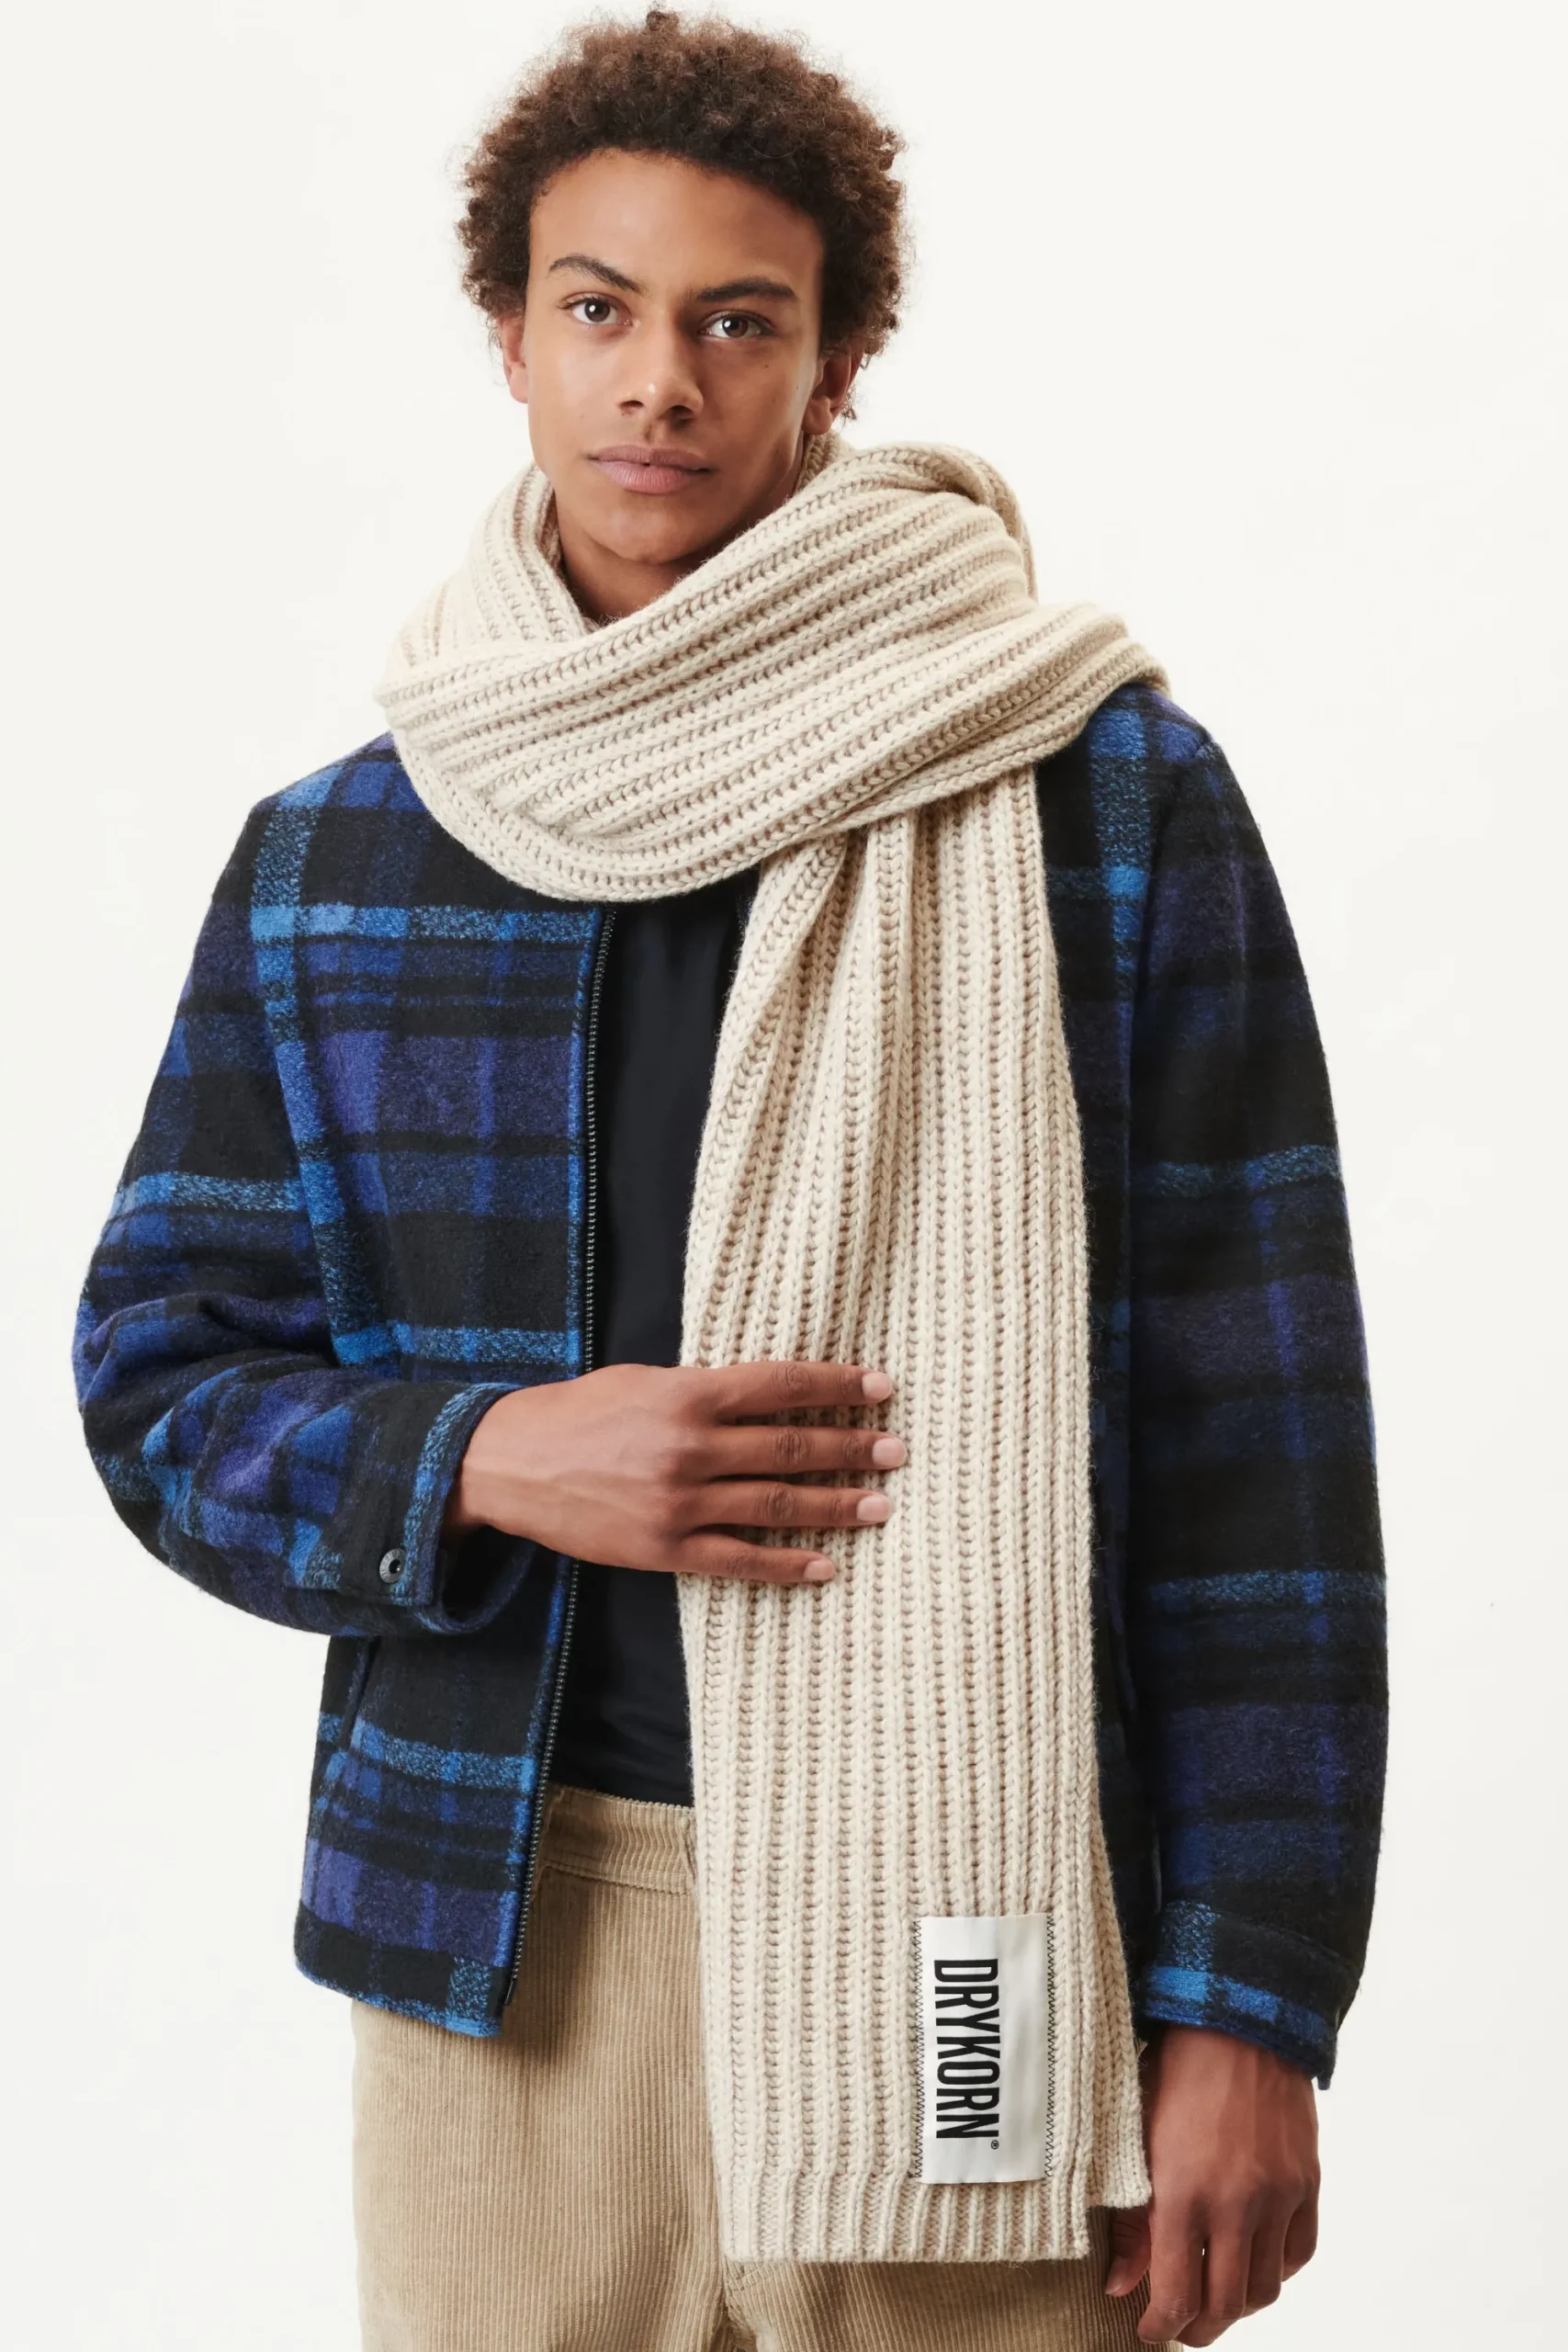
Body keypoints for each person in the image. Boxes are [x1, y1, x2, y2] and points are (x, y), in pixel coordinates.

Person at [72, 11, 1387, 2350]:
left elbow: (1257, 1452)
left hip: (974, 1906)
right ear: (508, 335)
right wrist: (487, 1452)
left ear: (836, 359)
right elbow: (159, 1383)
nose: (657, 381)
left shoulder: (1097, 799)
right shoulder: (349, 852)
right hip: (507, 1948)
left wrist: (1249, 2000)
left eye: (735, 320)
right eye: (597, 306)